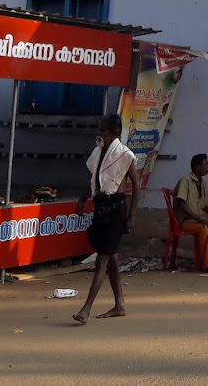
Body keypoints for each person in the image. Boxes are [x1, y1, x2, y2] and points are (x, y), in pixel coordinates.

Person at [73, 114, 141, 324]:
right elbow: (94, 182)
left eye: (103, 130)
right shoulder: (98, 152)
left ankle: (86, 308)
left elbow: (136, 187)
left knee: (102, 259)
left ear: (114, 133)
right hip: (100, 207)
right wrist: (82, 200)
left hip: (116, 209)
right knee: (110, 256)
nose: (99, 133)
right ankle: (119, 304)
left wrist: (132, 216)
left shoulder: (124, 154)